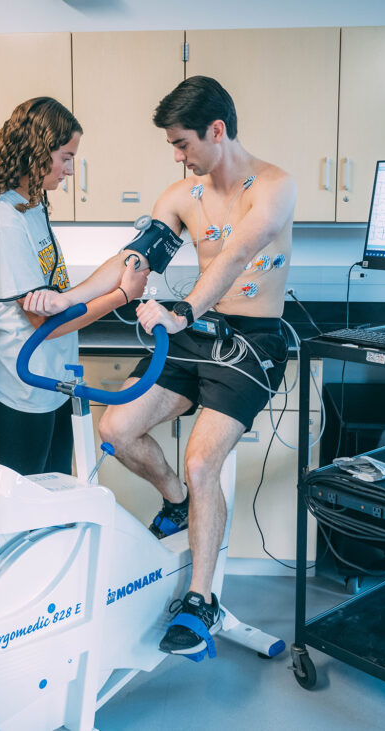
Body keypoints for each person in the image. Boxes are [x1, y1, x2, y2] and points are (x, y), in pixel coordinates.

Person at [95, 75, 297, 656]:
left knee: (202, 461)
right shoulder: (183, 195)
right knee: (114, 428)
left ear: (216, 130)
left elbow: (235, 255)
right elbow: (143, 251)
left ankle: (200, 600)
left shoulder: (275, 187)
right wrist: (124, 276)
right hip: (192, 333)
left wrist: (183, 308)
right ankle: (176, 502)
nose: (179, 157)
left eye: (183, 144)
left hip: (251, 340)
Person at [0, 97, 149, 476]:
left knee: (55, 492)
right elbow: (43, 324)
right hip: (21, 388)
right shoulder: (5, 223)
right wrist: (121, 296)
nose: (69, 170)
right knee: (24, 506)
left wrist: (122, 264)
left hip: (50, 383)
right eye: (65, 157)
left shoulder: (31, 208)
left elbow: (62, 296)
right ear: (36, 152)